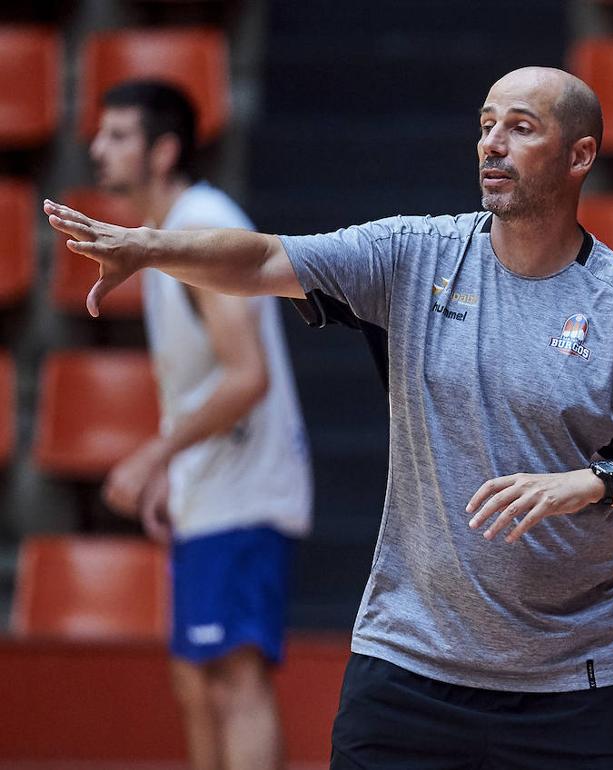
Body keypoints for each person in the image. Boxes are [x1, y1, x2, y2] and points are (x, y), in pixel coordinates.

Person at [48, 66, 613, 770]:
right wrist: (149, 247)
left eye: (521, 128)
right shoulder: (417, 254)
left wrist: (598, 482)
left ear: (581, 156)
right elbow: (265, 258)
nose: (492, 143)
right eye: (485, 124)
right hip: (408, 668)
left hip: (572, 687)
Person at [88, 80, 312, 770]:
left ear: (165, 151)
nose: (97, 149)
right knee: (197, 680)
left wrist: (154, 456)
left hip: (245, 490)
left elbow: (248, 375)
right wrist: (176, 472)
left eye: (119, 135)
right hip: (212, 486)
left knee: (235, 681)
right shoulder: (162, 239)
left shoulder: (199, 225)